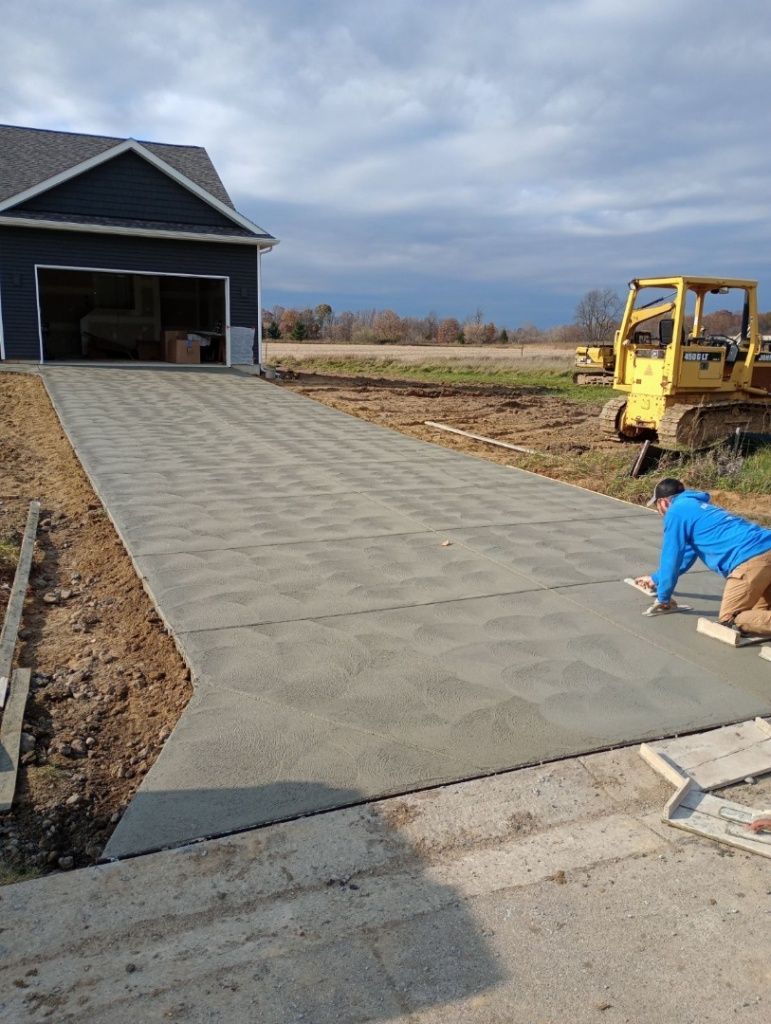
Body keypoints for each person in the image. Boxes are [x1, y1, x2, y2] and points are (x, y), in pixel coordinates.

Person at [635, 478, 771, 636]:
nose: (660, 513)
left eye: (657, 506)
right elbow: (685, 556)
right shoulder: (699, 508)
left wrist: (663, 598)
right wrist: (656, 579)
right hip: (765, 545)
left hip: (751, 558)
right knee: (761, 612)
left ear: (663, 502)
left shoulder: (675, 512)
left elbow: (671, 557)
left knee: (730, 621)